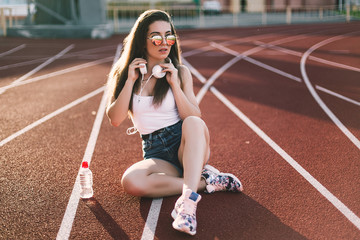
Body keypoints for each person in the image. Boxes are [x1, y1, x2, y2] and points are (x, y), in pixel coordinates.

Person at [106, 9, 243, 236]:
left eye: (169, 36)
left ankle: (187, 206)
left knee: (193, 122)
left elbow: (194, 114)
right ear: (143, 41)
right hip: (156, 152)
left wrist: (175, 85)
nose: (164, 43)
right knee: (131, 182)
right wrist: (130, 81)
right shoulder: (126, 75)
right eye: (156, 37)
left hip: (186, 144)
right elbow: (116, 119)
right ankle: (207, 180)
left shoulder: (181, 72)